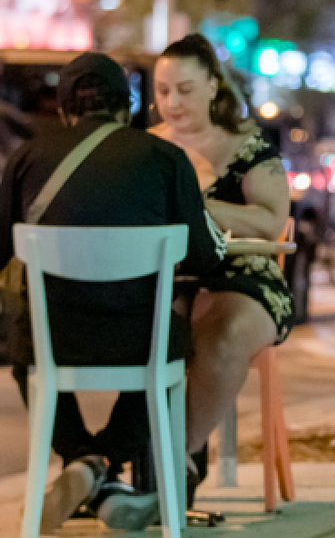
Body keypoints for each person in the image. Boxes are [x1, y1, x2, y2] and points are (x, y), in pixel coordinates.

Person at [2, 53, 225, 531]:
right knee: (173, 347)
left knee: (27, 352)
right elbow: (206, 257)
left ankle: (81, 460)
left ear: (64, 109)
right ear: (128, 108)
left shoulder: (26, 158)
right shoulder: (165, 158)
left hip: (52, 338)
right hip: (136, 338)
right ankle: (102, 462)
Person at [149, 33, 292, 489]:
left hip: (242, 275)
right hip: (164, 277)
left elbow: (271, 222)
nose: (172, 102)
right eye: (162, 91)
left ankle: (175, 461)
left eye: (185, 90)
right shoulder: (144, 148)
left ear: (213, 86)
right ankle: (118, 460)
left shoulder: (248, 146)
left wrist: (194, 203)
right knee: (130, 335)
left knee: (224, 334)